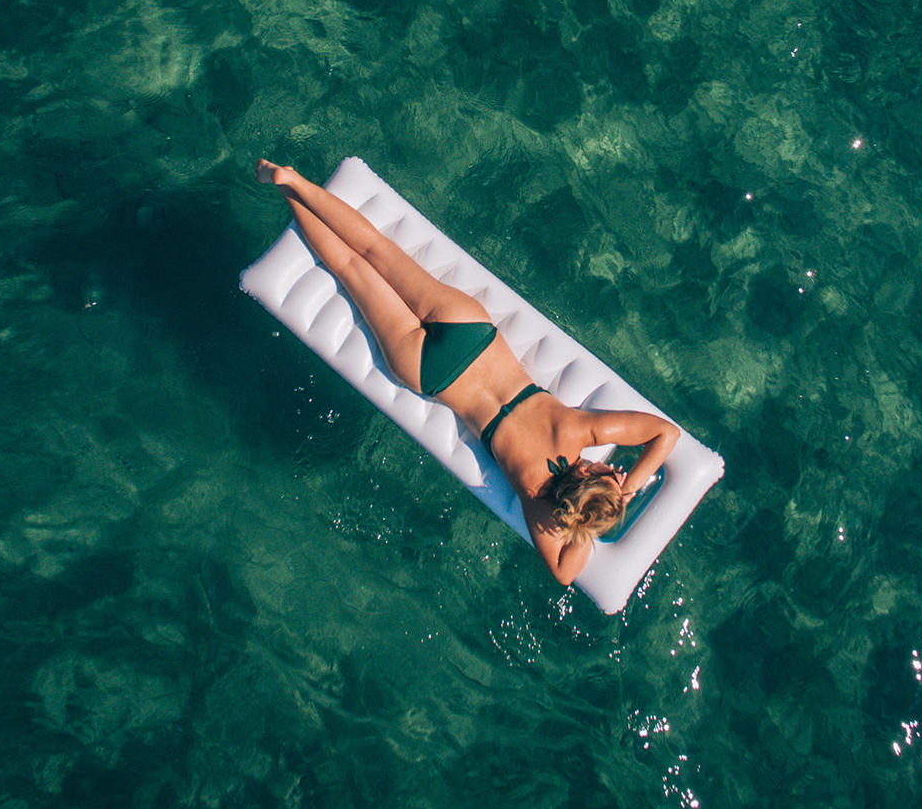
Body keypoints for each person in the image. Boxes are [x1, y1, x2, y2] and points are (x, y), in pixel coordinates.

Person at [257, 160, 679, 586]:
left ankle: (293, 177)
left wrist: (627, 487)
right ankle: (287, 195)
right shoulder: (535, 497)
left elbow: (666, 435)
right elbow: (566, 573)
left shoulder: (579, 430)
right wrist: (591, 518)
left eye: (609, 473)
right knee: (349, 269)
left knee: (375, 251)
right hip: (433, 372)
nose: (613, 471)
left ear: (588, 471)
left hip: (469, 333)